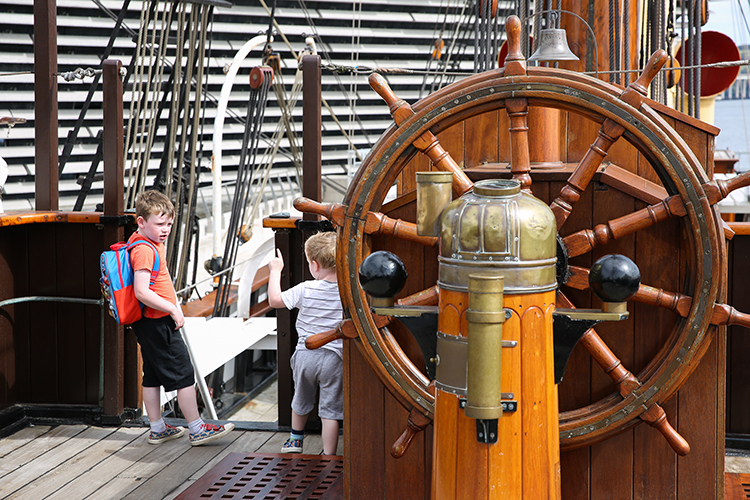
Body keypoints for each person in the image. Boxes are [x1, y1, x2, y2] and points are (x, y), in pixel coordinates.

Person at [130, 189, 234, 446]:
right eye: (159, 224)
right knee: (184, 374)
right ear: (141, 221)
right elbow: (141, 290)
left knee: (152, 375)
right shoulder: (144, 250)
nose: (165, 229)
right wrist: (173, 308)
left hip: (148, 322)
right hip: (158, 321)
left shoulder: (146, 241)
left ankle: (157, 427)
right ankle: (197, 429)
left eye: (169, 224)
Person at [268, 231, 343, 456]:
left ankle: (295, 440)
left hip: (306, 354)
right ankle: (329, 455)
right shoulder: (348, 291)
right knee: (329, 410)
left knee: (300, 398)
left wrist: (275, 271)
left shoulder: (306, 288)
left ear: (314, 265)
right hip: (335, 358)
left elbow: (274, 300)